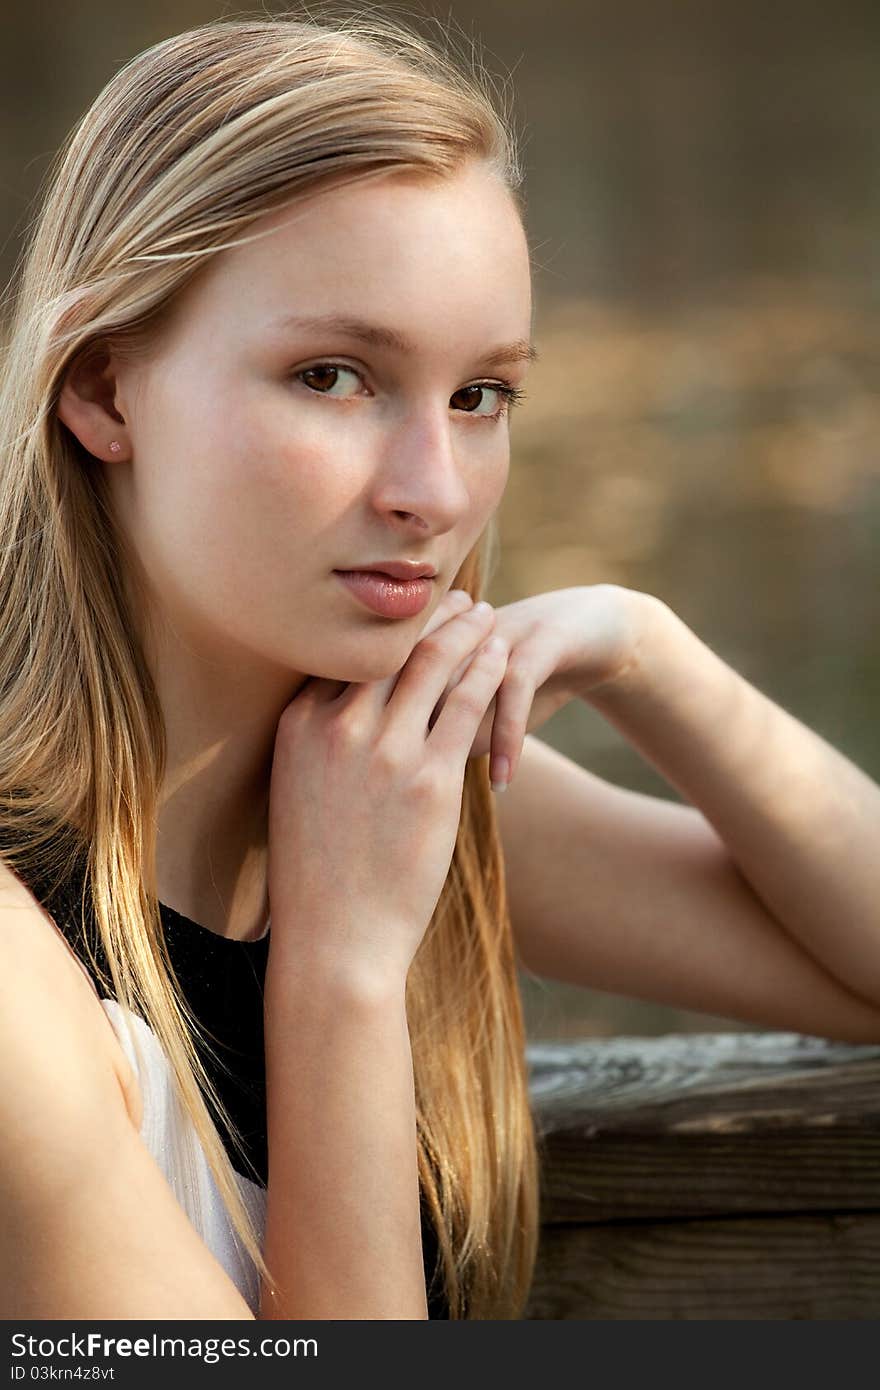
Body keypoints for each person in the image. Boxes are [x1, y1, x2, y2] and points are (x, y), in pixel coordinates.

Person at [2, 8, 880, 1324]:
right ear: (105, 392)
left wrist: (650, 652)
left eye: (482, 395)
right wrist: (345, 970)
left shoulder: (391, 782)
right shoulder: (20, 976)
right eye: (335, 375)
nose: (432, 491)